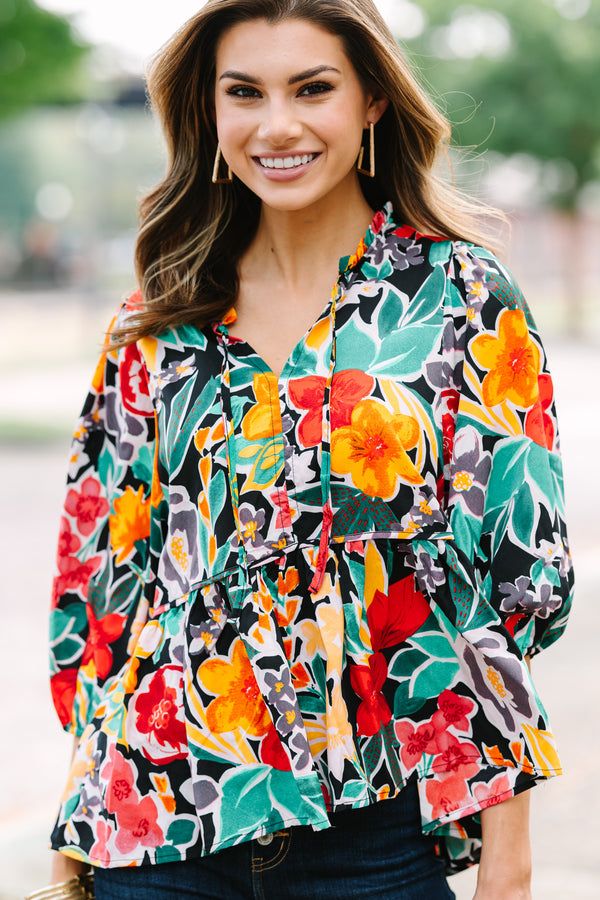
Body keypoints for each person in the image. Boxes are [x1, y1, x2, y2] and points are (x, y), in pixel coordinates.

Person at [42, 1, 574, 899]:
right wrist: (77, 822)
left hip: (373, 837)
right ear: (209, 112)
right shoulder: (152, 323)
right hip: (154, 832)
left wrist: (508, 863)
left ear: (371, 100)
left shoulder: (460, 297)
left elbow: (506, 588)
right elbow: (106, 596)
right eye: (243, 92)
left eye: (312, 88)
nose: (276, 124)